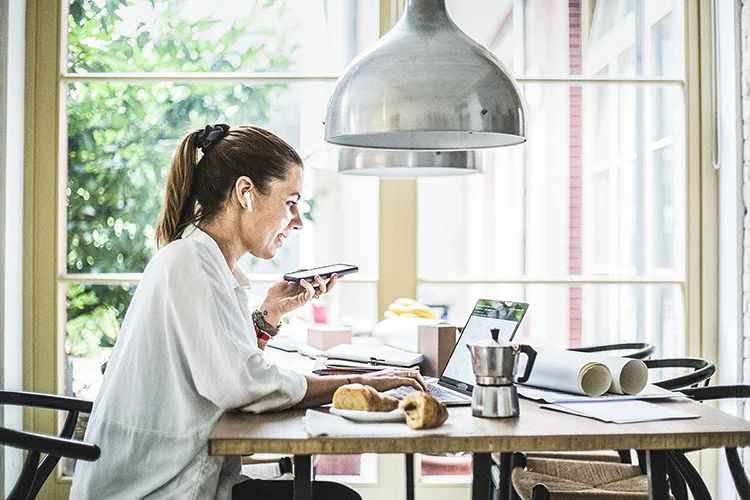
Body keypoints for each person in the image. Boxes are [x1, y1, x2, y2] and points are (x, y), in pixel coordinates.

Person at [70, 124, 427, 500]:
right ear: (246, 193)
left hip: (185, 478)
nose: (298, 221)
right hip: (162, 490)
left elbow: (228, 372)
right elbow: (242, 386)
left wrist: (268, 316)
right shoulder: (191, 264)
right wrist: (360, 384)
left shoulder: (202, 261)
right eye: (291, 202)